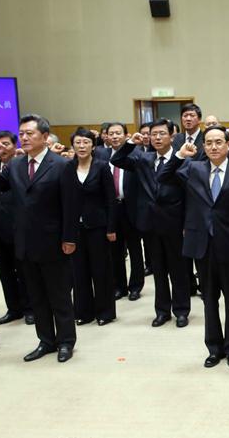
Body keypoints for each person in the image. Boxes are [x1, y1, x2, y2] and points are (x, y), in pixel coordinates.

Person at [0, 114, 79, 363]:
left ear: (45, 137)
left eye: (30, 133)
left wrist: (69, 238)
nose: (24, 138)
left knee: (58, 296)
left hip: (54, 241)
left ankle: (66, 341)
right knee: (36, 296)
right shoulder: (15, 165)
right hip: (24, 243)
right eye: (22, 133)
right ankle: (46, 340)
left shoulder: (61, 165)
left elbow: (70, 206)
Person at [159, 126, 229, 368]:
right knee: (209, 300)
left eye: (218, 142)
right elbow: (163, 176)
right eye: (209, 142)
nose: (213, 147)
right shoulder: (193, 169)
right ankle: (214, 348)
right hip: (201, 244)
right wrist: (180, 155)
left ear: (228, 144)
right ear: (203, 146)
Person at [111, 119, 191, 328]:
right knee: (158, 269)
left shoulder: (182, 158)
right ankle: (162, 311)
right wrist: (131, 143)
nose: (157, 138)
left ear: (172, 136)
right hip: (150, 223)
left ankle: (181, 310)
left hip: (175, 223)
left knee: (178, 269)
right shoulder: (143, 158)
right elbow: (118, 159)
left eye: (162, 134)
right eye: (153, 134)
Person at [66, 128, 117, 326]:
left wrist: (111, 228)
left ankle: (105, 312)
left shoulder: (102, 166)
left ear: (93, 146)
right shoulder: (67, 167)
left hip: (98, 226)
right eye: (78, 142)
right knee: (79, 271)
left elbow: (111, 199)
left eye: (85, 142)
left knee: (101, 269)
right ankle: (83, 312)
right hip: (75, 228)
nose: (81, 146)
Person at [94, 122, 144, 301]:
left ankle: (136, 286)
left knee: (135, 249)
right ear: (105, 136)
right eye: (111, 133)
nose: (114, 136)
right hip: (110, 208)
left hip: (130, 207)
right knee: (115, 250)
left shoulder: (136, 153)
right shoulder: (100, 154)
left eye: (118, 133)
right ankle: (119, 286)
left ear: (126, 135)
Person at [0, 131, 34, 326]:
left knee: (24, 272)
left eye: (6, 144)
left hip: (19, 228)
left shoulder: (21, 166)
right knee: (5, 273)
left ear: (15, 146)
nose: (2, 148)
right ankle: (13, 308)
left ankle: (30, 307)